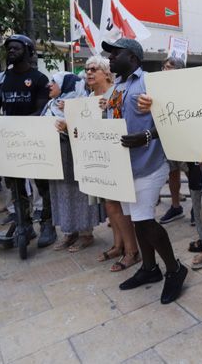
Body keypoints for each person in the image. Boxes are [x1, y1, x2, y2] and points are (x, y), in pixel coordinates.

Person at [103, 38, 187, 304]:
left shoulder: (150, 82)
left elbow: (173, 118)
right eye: (110, 54)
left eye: (116, 53)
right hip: (123, 167)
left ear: (134, 57)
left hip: (148, 164)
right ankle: (150, 269)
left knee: (145, 221)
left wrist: (147, 136)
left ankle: (175, 269)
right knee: (137, 221)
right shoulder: (116, 87)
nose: (110, 58)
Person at [0, 35, 57, 248]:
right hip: (11, 139)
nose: (11, 52)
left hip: (35, 137)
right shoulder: (1, 79)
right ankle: (23, 224)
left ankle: (47, 224)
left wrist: (17, 123)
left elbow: (41, 109)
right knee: (15, 184)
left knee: (42, 184)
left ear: (28, 51)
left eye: (16, 48)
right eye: (8, 49)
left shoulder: (39, 78)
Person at [84, 55, 139, 271]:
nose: (88, 72)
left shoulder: (116, 92)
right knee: (109, 205)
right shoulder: (87, 96)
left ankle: (132, 250)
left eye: (93, 68)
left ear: (106, 72)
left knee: (117, 205)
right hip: (97, 156)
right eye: (87, 69)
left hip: (116, 155)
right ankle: (119, 245)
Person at [44, 72, 100, 253]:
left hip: (75, 153)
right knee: (61, 191)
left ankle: (85, 233)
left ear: (66, 85)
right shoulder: (51, 105)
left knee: (79, 192)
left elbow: (88, 128)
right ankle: (69, 232)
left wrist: (70, 115)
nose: (49, 85)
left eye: (54, 82)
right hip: (57, 156)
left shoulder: (81, 103)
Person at [159, 55, 187, 225]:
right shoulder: (158, 86)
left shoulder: (186, 87)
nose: (165, 70)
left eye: (169, 67)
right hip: (167, 135)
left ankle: (197, 209)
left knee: (192, 172)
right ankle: (176, 206)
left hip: (185, 136)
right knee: (172, 171)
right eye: (164, 66)